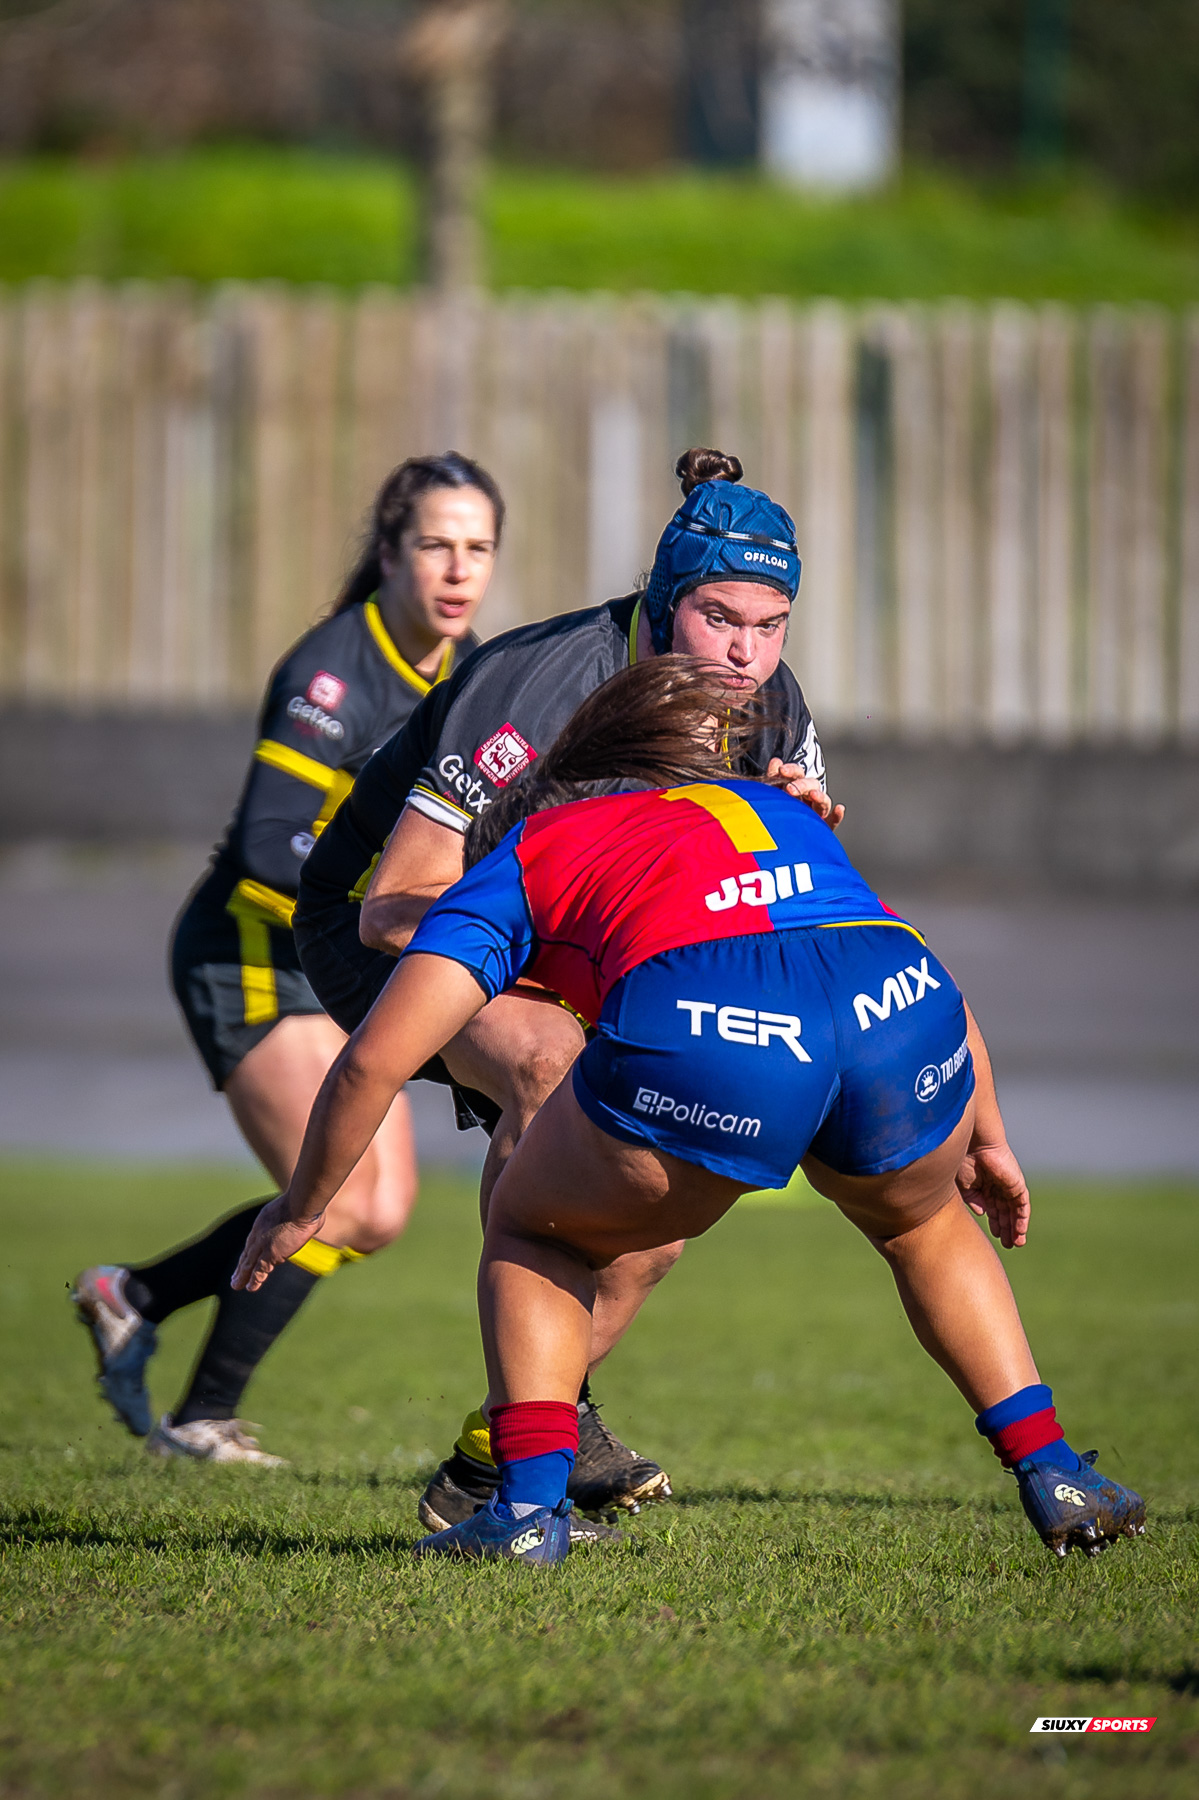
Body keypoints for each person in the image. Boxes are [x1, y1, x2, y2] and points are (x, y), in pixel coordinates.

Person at [235, 659, 1147, 1565]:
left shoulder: (528, 849)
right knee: (925, 1222)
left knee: (535, 1227)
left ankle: (522, 1511)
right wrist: (986, 1137)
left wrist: (301, 1206)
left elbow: (370, 1064)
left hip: (725, 1035)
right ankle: (1057, 1473)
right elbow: (893, 947)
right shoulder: (778, 812)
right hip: (902, 1012)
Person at [293, 446, 841, 1530]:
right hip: (385, 926)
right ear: (661, 599)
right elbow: (393, 900)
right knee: (553, 1063)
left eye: (770, 624)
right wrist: (554, 980)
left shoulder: (768, 704)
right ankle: (555, 1427)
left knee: (663, 1199)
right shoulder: (538, 685)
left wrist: (803, 833)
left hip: (570, 947)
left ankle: (494, 1457)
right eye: (719, 618)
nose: (744, 652)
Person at [71, 453, 503, 1464]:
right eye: (434, 544)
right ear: (388, 553)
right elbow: (270, 843)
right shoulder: (333, 671)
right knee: (347, 1196)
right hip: (251, 949)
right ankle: (200, 1412)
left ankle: (133, 1300)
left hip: (344, 954)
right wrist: (387, 909)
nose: (456, 569)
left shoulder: (471, 667)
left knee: (378, 1209)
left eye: (477, 548)